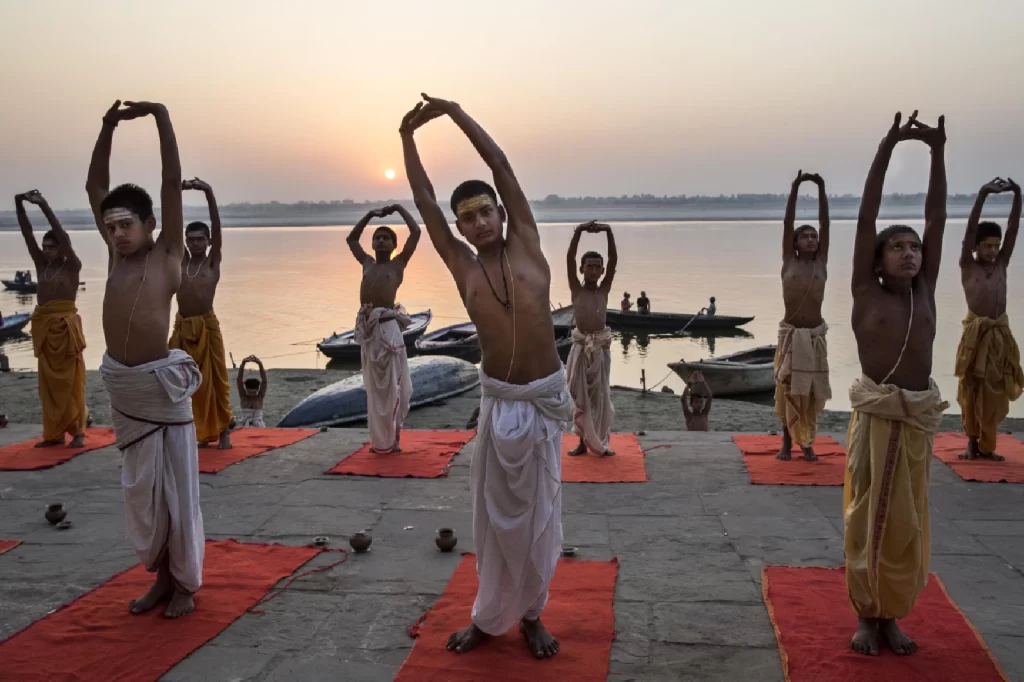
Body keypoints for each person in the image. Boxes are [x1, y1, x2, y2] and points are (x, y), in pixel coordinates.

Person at [402, 93, 570, 659]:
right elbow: (424, 203)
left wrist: (453, 114)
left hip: (542, 399)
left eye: (484, 212)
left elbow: (501, 164)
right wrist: (408, 139)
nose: (477, 223)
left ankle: (531, 616)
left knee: (541, 520)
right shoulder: (464, 267)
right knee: (496, 522)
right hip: (500, 404)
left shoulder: (529, 247)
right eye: (466, 218)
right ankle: (489, 616)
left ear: (501, 212)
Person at [87, 100, 204, 619]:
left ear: (152, 223)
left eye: (126, 225)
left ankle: (184, 584)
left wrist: (161, 118)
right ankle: (159, 577)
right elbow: (95, 187)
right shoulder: (115, 256)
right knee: (143, 494)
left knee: (176, 495)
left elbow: (170, 181)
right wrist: (108, 126)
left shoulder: (168, 254)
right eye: (110, 227)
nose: (117, 234)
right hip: (126, 391)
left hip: (161, 391)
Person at [845, 111, 950, 657]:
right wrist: (888, 146)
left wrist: (936, 151)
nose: (910, 252)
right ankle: (867, 613)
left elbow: (938, 215)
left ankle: (893, 615)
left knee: (908, 519)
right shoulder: (868, 292)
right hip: (879, 417)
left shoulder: (924, 292)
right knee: (870, 514)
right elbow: (866, 216)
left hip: (917, 418)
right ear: (879, 261)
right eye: (898, 247)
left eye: (914, 247)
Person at [956, 177, 1022, 461]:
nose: (993, 251)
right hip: (976, 335)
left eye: (996, 246)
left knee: (995, 390)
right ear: (976, 246)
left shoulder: (1002, 264)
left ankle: (988, 446)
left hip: (998, 336)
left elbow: (1013, 228)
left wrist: (1018, 194)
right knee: (972, 387)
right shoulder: (967, 265)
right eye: (987, 246)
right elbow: (971, 228)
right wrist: (982, 194)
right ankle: (972, 443)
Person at [16, 189, 88, 448]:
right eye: (44, 247)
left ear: (61, 247)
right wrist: (19, 204)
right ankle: (54, 433)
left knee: (71, 383)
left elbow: (62, 237)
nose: (46, 251)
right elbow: (26, 234)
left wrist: (45, 206)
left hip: (66, 330)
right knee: (48, 386)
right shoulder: (40, 265)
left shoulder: (72, 266)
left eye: (51, 247)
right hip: (45, 329)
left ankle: (78, 432)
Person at [346, 204, 421, 453]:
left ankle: (395, 439)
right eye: (377, 238)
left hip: (388, 330)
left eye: (385, 238)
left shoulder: (398, 265)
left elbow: (416, 232)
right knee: (374, 388)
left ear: (393, 245)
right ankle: (380, 439)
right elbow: (352, 239)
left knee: (394, 386)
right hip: (369, 330)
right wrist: (369, 215)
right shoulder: (366, 262)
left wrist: (399, 208)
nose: (380, 241)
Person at [169, 177, 232, 450]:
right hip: (183, 326)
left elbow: (217, 227)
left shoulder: (212, 261)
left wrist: (207, 191)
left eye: (199, 240)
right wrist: (176, 196)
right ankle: (197, 432)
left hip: (207, 325)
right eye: (190, 240)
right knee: (184, 379)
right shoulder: (181, 261)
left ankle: (224, 431)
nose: (195, 244)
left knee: (216, 380)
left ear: (207, 242)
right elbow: (172, 225)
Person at [775, 171, 832, 461]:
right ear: (795, 243)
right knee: (787, 391)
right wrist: (796, 187)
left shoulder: (821, 262)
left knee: (810, 393)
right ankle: (786, 444)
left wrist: (822, 189)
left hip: (814, 336)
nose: (811, 239)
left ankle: (807, 443)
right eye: (805, 236)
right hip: (791, 335)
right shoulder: (789, 261)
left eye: (814, 237)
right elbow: (787, 223)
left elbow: (826, 222)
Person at [566, 221, 617, 457]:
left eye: (598, 267)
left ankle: (601, 441)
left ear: (602, 271)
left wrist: (608, 232)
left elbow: (614, 260)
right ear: (581, 269)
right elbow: (569, 257)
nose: (593, 271)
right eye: (589, 266)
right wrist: (578, 231)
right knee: (580, 399)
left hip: (600, 349)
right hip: (580, 348)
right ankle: (582, 443)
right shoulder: (577, 289)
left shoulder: (604, 289)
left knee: (600, 398)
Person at [236, 355, 268, 427]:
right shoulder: (243, 396)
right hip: (244, 423)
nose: (251, 394)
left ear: (257, 389)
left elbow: (264, 381)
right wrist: (243, 363)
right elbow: (239, 381)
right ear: (246, 389)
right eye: (249, 392)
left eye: (253, 392)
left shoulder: (260, 396)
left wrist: (260, 364)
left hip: (258, 424)